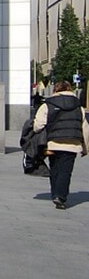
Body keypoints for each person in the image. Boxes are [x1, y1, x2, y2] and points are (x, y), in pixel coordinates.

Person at [32, 80, 89, 210]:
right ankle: (60, 196)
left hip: (52, 144)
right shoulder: (78, 107)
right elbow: (85, 128)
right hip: (72, 144)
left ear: (55, 90)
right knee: (66, 171)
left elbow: (38, 125)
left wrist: (34, 129)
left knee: (55, 169)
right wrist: (86, 148)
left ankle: (55, 194)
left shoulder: (47, 105)